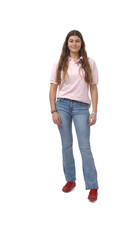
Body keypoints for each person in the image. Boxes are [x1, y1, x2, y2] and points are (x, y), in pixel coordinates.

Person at [49, 30, 99, 202]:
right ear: (67, 43)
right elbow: (53, 88)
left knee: (85, 147)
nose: (74, 44)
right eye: (71, 41)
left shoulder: (89, 63)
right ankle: (70, 179)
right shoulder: (60, 63)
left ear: (81, 43)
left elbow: (93, 87)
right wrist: (53, 110)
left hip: (81, 108)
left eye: (77, 41)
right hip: (62, 105)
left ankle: (93, 185)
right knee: (66, 145)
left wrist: (94, 111)